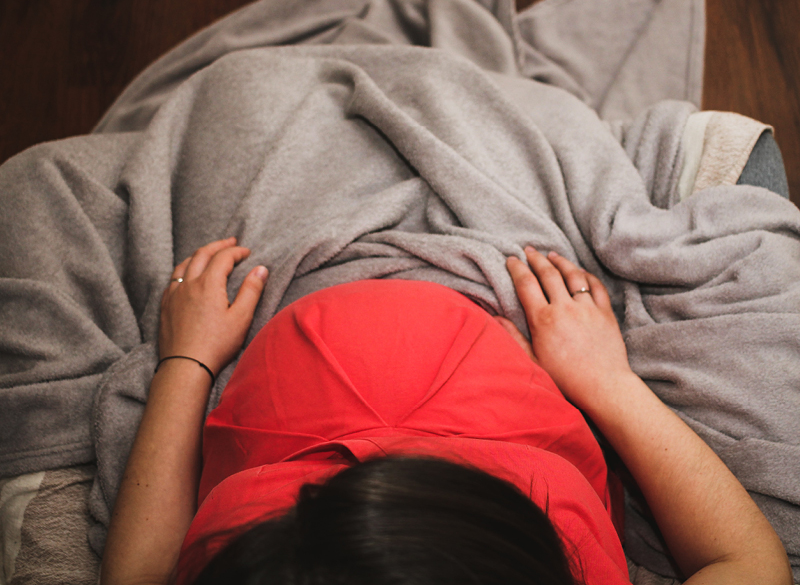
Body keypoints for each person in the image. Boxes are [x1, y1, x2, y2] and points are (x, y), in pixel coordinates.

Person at [99, 237, 792, 585]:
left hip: (292, 383)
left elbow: (138, 577)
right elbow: (748, 562)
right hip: (502, 396)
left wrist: (185, 362)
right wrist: (608, 382)